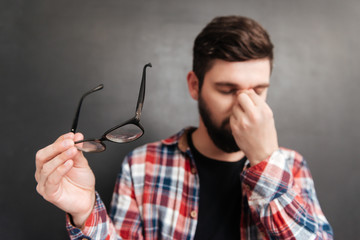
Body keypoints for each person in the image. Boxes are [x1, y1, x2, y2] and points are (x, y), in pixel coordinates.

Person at [35, 15, 333, 239]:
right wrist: (85, 212)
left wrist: (266, 164)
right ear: (195, 85)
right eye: (227, 90)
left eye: (258, 90)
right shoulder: (142, 167)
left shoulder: (292, 168)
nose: (245, 106)